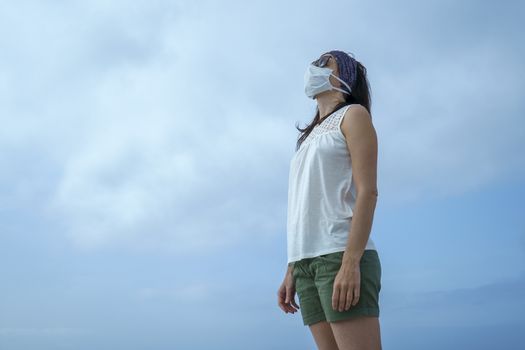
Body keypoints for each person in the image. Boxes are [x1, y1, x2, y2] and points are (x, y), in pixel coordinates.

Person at [277, 50, 383, 350]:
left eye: (325, 62)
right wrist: (292, 267)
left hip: (339, 254)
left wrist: (352, 263)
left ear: (344, 75)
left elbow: (368, 192)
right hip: (305, 262)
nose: (315, 67)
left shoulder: (354, 116)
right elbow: (304, 203)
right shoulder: (307, 137)